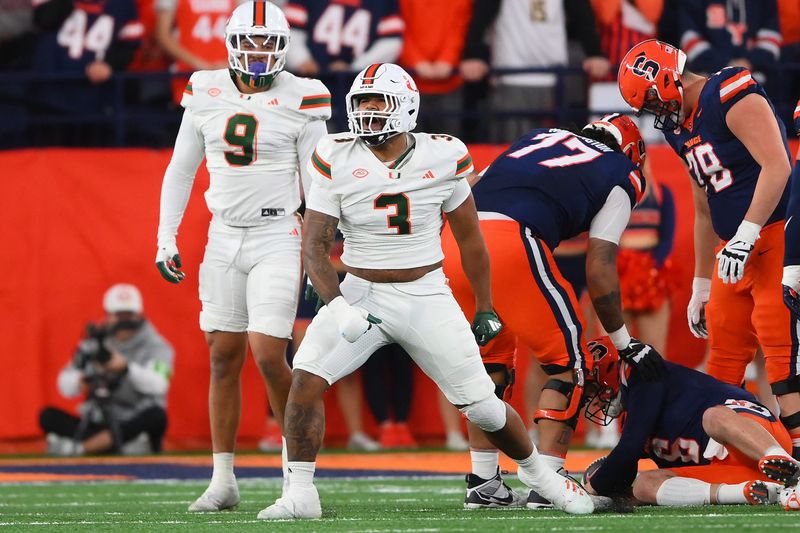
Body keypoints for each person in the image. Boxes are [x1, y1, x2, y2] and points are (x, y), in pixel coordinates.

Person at [258, 62, 597, 520]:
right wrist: (338, 307)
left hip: (425, 293)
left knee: (483, 405)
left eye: (379, 102)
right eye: (362, 102)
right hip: (361, 289)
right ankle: (299, 493)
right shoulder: (335, 154)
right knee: (305, 380)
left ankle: (541, 476)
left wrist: (485, 306)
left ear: (408, 106)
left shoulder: (443, 156)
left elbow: (471, 239)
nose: (368, 112)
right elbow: (315, 246)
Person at [154, 0, 330, 512]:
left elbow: (316, 182)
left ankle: (297, 480)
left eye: (267, 42)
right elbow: (180, 170)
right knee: (221, 356)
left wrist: (320, 251)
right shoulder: (205, 87)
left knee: (270, 353)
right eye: (250, 41)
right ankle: (223, 479)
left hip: (278, 232)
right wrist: (166, 237)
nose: (258, 52)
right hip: (222, 235)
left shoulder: (304, 94)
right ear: (232, 43)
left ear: (283, 46)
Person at [440, 113, 665, 509]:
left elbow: (469, 189)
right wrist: (624, 343)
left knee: (489, 365)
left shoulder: (538, 136)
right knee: (570, 364)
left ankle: (483, 481)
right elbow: (600, 266)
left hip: (455, 242)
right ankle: (549, 481)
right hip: (512, 240)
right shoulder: (622, 171)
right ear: (631, 153)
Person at [618, 39, 800, 459]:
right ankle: (745, 457)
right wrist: (702, 281)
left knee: (781, 354)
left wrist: (748, 233)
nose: (652, 110)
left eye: (650, 98)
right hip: (732, 250)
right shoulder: (683, 126)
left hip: (772, 239)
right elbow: (703, 207)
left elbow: (778, 165)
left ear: (666, 77)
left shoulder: (729, 92)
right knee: (721, 364)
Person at [583, 336, 799, 509]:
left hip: (753, 436)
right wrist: (612, 490)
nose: (595, 396)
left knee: (713, 416)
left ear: (609, 372)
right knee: (644, 484)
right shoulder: (633, 417)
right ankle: (752, 492)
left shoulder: (644, 374)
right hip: (724, 467)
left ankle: (785, 465)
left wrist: (591, 488)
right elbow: (625, 464)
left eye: (594, 387)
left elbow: (627, 451)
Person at [39, 284, 173, 456]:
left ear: (139, 315)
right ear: (108, 316)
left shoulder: (157, 346)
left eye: (128, 315)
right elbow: (64, 384)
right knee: (48, 416)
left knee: (157, 416)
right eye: (119, 316)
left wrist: (126, 368)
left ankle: (81, 448)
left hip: (132, 421)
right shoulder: (95, 344)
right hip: (99, 420)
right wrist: (82, 380)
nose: (124, 322)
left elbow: (159, 384)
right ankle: (117, 446)